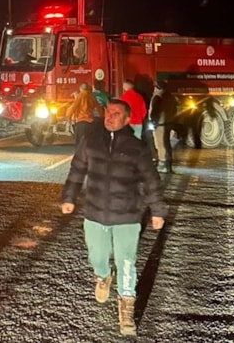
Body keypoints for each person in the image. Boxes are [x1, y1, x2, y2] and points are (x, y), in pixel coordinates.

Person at [60, 99, 167, 336]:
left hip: (127, 216)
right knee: (97, 256)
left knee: (126, 262)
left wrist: (157, 210)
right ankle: (103, 276)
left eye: (116, 114)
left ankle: (126, 310)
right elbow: (77, 170)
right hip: (95, 213)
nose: (110, 117)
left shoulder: (137, 147)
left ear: (128, 119)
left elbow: (151, 180)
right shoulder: (91, 141)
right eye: (108, 112)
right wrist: (69, 197)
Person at [148, 82, 179, 173]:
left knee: (160, 144)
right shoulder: (170, 97)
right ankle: (168, 164)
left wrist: (152, 123)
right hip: (168, 123)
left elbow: (154, 111)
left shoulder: (157, 97)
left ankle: (163, 164)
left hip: (160, 124)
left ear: (157, 88)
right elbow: (175, 110)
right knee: (167, 144)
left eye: (155, 87)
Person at [66, 83, 104, 147]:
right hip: (90, 123)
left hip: (81, 122)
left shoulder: (80, 96)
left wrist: (68, 118)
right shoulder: (91, 97)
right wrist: (102, 117)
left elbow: (73, 107)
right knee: (88, 143)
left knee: (80, 143)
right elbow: (98, 108)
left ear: (80, 89)